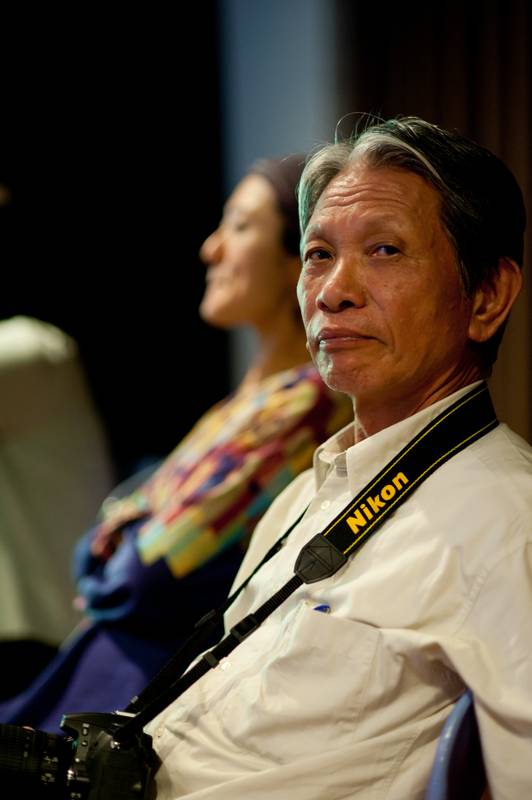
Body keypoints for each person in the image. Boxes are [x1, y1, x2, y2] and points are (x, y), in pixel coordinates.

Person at [143, 117, 532, 799]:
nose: (332, 291)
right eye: (319, 254)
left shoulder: (510, 525)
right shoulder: (302, 498)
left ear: (487, 297)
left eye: (384, 250)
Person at [0, 154, 352, 732]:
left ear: (300, 258)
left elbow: (146, 574)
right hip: (110, 672)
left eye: (240, 226)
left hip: (145, 695)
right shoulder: (247, 405)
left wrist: (118, 544)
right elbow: (115, 546)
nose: (211, 248)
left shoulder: (306, 403)